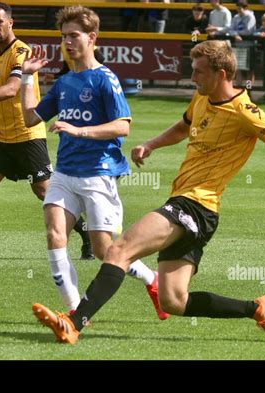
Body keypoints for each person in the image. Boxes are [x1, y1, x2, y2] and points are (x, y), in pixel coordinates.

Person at [31, 39, 265, 345]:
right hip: (195, 210)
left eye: (199, 72)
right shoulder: (201, 97)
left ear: (221, 74)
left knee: (118, 250)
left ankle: (73, 323)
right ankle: (257, 308)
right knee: (173, 301)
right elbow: (184, 126)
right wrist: (152, 144)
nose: (192, 78)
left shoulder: (246, 112)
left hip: (195, 205)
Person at [20, 6, 169, 320]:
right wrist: (26, 78)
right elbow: (30, 117)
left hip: (98, 175)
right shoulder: (63, 83)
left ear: (92, 38)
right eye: (63, 37)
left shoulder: (106, 79)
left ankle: (152, 280)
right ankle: (74, 314)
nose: (68, 42)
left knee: (105, 251)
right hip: (63, 173)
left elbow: (122, 126)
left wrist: (79, 130)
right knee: (54, 235)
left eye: (74, 35)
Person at [0, 2, 93, 261]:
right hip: (2, 135)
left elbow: (12, 89)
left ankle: (88, 236)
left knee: (45, 192)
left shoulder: (21, 51)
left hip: (27, 133)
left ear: (10, 22)